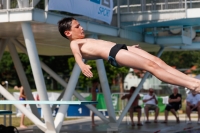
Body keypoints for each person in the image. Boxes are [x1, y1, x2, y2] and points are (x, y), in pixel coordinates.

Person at [57, 17, 200, 92]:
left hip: (121, 48)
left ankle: (195, 82)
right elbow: (76, 55)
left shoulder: (86, 39)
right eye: (77, 26)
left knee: (157, 60)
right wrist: (82, 65)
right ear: (68, 33)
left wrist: (129, 48)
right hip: (114, 54)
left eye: (80, 25)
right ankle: (191, 86)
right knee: (151, 66)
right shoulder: (74, 43)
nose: (81, 27)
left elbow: (106, 44)